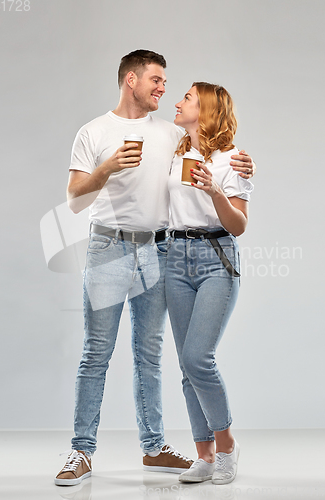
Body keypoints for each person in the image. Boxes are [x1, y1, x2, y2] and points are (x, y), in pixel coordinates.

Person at [55, 50, 255, 486]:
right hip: (108, 247)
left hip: (161, 251)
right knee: (96, 354)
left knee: (152, 354)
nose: (164, 89)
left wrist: (244, 165)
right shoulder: (93, 131)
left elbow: (218, 159)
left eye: (168, 85)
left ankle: (154, 447)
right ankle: (81, 451)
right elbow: (73, 199)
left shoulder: (172, 135)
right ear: (131, 80)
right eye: (156, 80)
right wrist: (106, 169)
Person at [165, 82, 253, 485]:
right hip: (175, 258)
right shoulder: (175, 150)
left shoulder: (233, 159)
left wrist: (214, 189)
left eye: (186, 98)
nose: (177, 102)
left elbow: (238, 225)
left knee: (199, 357)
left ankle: (227, 445)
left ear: (206, 109)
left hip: (216, 257)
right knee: (187, 365)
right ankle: (204, 455)